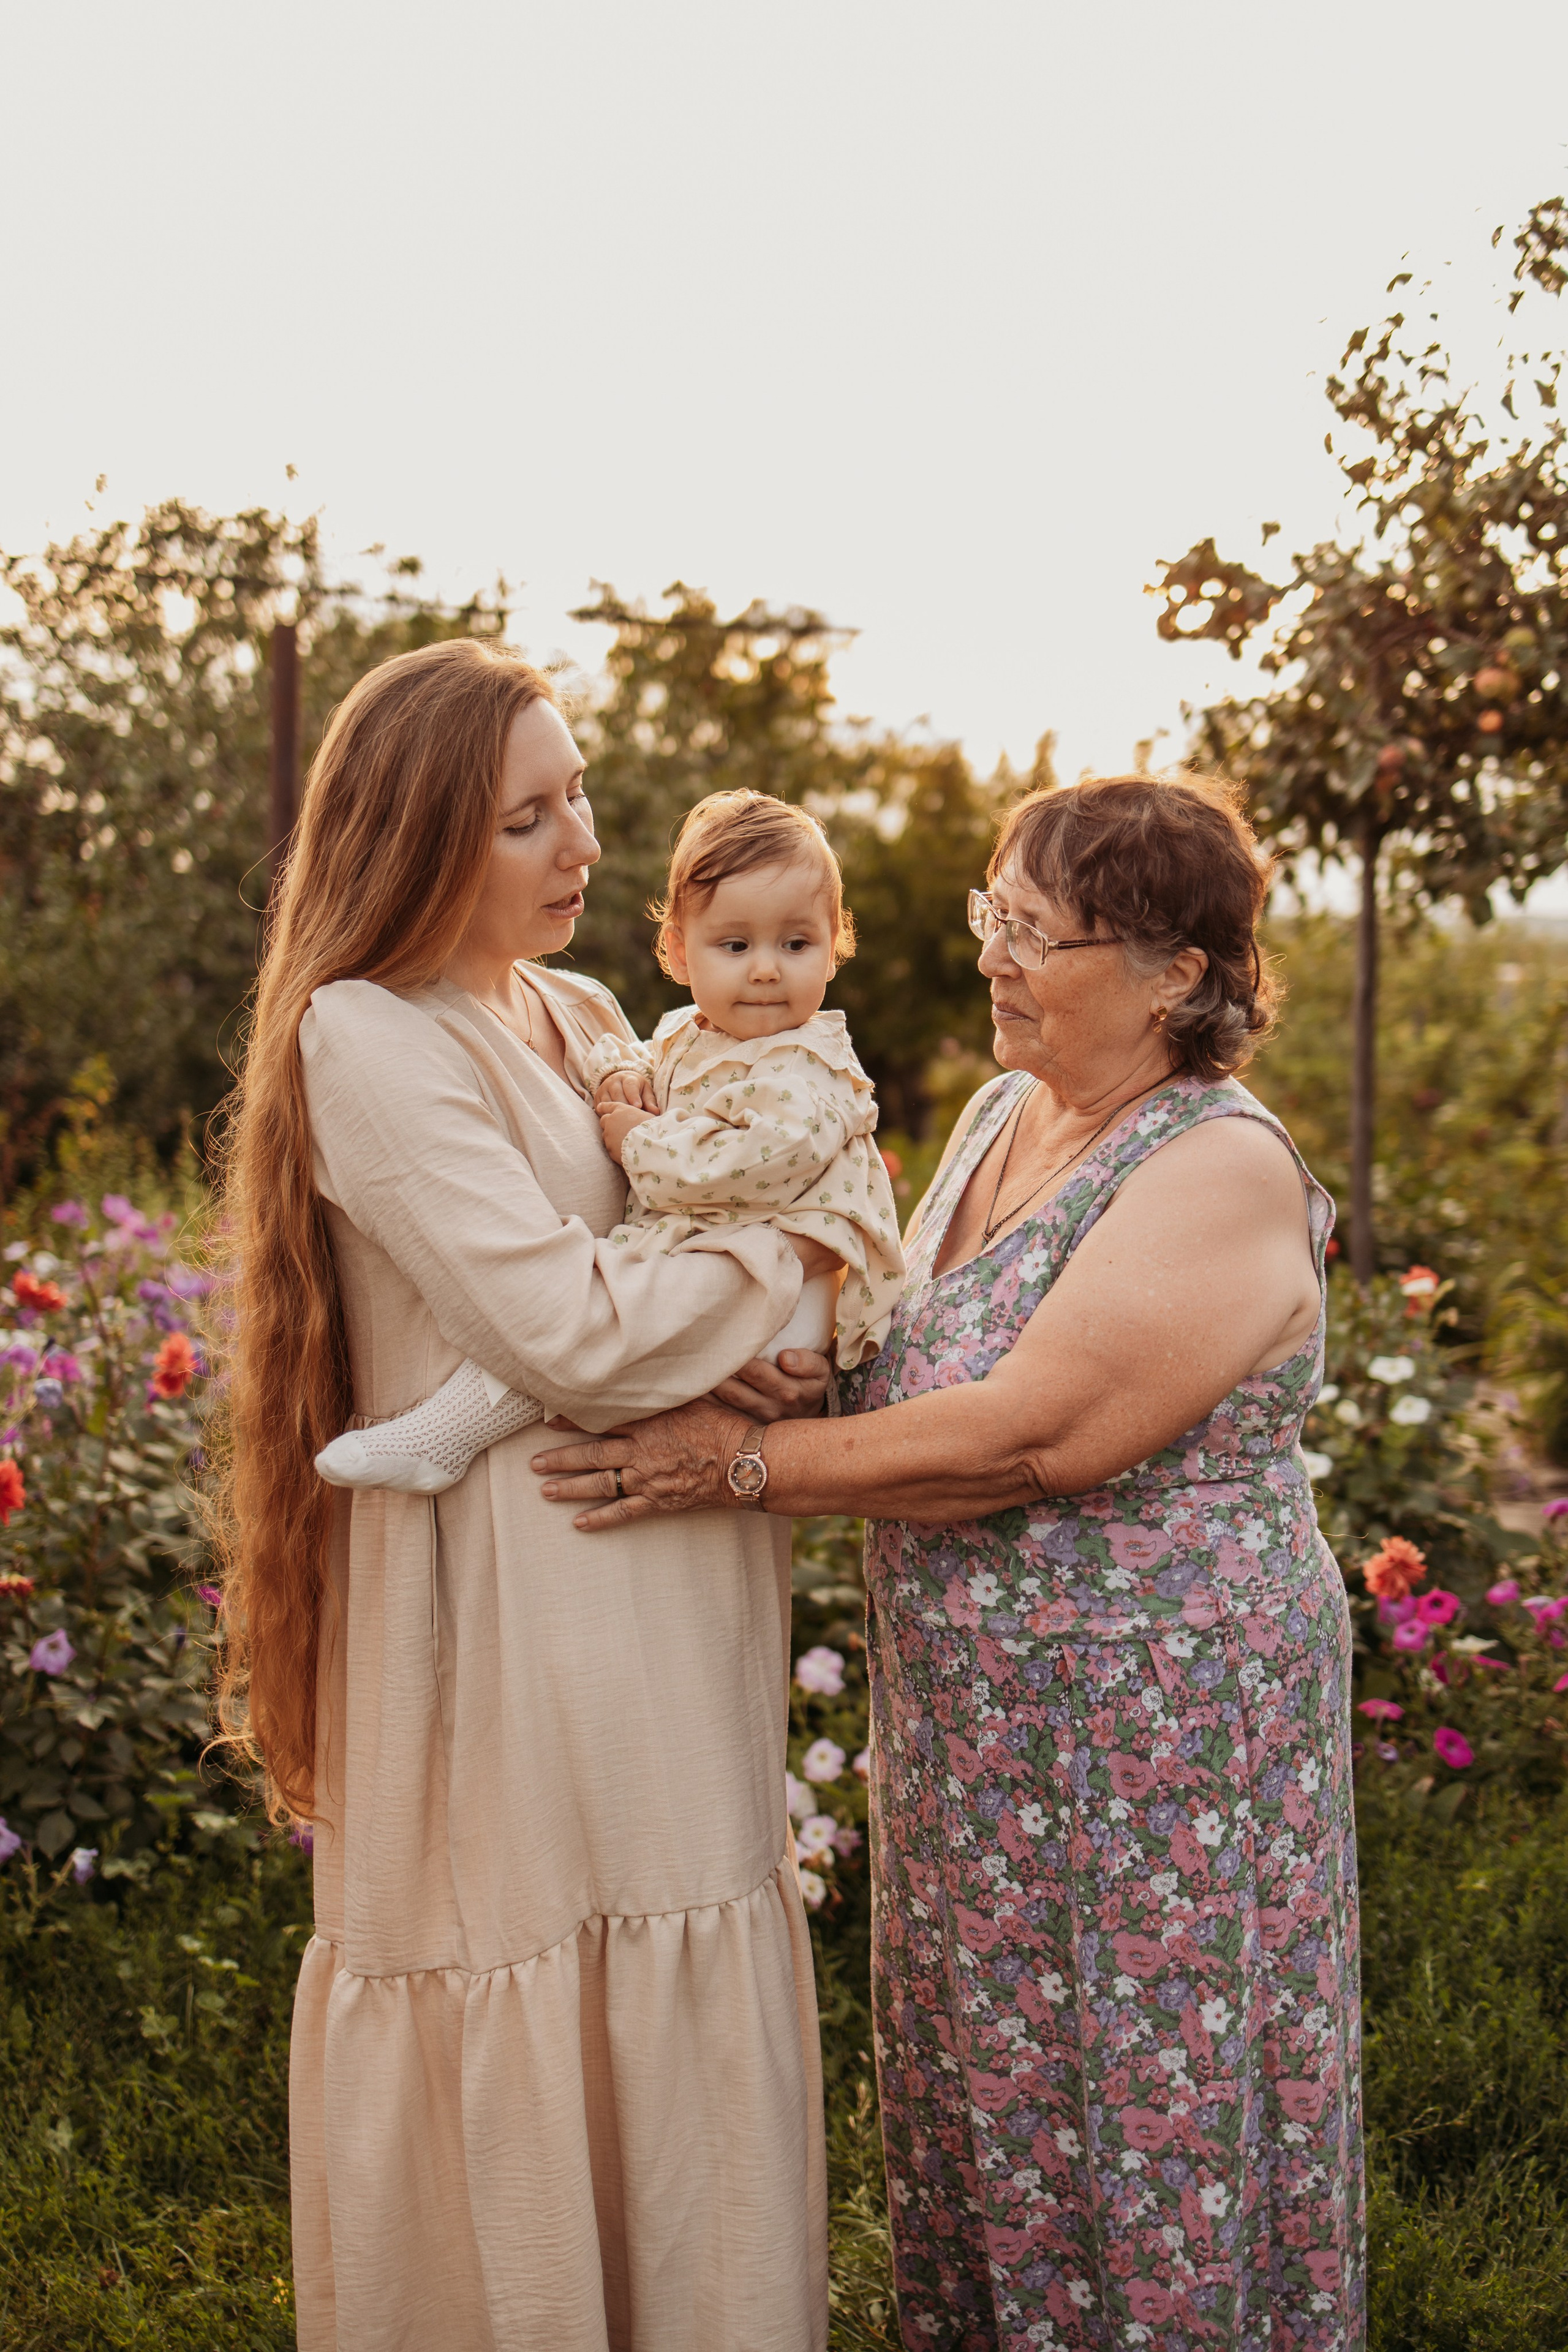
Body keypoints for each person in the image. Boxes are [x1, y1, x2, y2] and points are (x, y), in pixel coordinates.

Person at [533, 772, 1366, 2352]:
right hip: (981, 1753)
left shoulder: (1219, 1166)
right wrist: (795, 1373)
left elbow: (1028, 1434)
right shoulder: (1002, 1112)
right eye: (995, 911)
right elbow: (917, 1357)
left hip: (1154, 1766)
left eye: (1034, 932)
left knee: (1148, 2109)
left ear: (1174, 973)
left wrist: (736, 1465)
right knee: (994, 2096)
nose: (989, 952)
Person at [211, 638, 839, 2352]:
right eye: (524, 818)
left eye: (579, 797)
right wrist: (784, 1279)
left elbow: (660, 1267)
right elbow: (561, 1325)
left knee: (682, 1994)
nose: (582, 847)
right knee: (529, 1965)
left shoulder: (584, 1016)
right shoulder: (365, 1035)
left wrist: (768, 1343)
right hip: (515, 1627)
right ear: (418, 838)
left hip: (673, 1605)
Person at [313, 788, 905, 1498]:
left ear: (836, 948)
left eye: (796, 944)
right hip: (723, 1264)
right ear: (678, 952)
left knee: (620, 1302)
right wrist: (619, 1075)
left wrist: (641, 1143)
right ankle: (449, 1431)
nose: (766, 969)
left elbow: (757, 1164)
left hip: (776, 1305)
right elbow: (648, 1066)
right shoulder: (695, 1033)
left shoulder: (807, 1062)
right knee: (609, 1308)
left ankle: (448, 1432)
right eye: (736, 946)